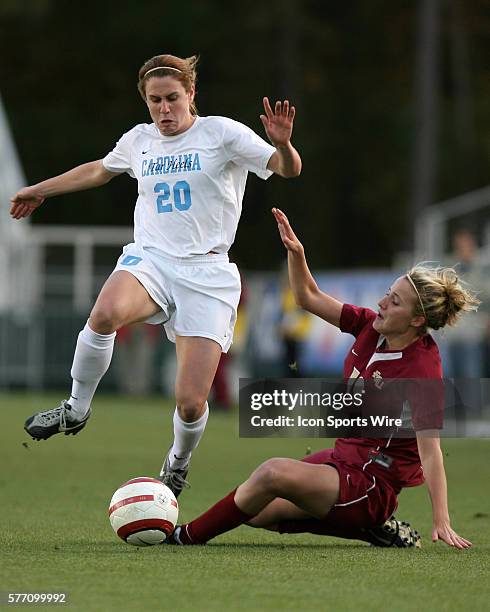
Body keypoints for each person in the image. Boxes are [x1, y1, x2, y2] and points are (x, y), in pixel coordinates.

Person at [10, 54, 302, 496]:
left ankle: (177, 461)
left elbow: (288, 169)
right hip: (151, 260)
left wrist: (281, 144)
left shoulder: (221, 133)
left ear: (191, 95)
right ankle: (75, 407)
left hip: (207, 271)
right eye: (154, 101)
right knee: (105, 312)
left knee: (190, 402)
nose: (163, 109)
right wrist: (40, 190)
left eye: (171, 98)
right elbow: (98, 170)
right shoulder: (139, 141)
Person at [166, 208, 478, 548]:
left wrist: (441, 520)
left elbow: (430, 450)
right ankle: (370, 529)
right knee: (254, 509)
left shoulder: (421, 370)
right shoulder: (371, 327)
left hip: (373, 482)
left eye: (395, 301)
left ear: (417, 321)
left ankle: (184, 537)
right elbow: (308, 297)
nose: (382, 302)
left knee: (271, 473)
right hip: (344, 457)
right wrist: (296, 254)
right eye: (388, 293)